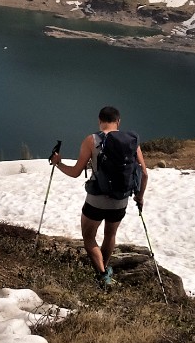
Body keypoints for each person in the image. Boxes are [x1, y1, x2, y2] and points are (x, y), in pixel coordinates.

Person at [50, 105, 148, 288]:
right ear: (118, 122)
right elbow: (144, 173)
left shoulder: (92, 140)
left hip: (96, 198)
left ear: (99, 121)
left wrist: (58, 163)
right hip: (121, 199)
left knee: (88, 237)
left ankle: (102, 274)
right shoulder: (132, 142)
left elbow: (75, 172)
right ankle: (105, 269)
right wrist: (139, 198)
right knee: (110, 234)